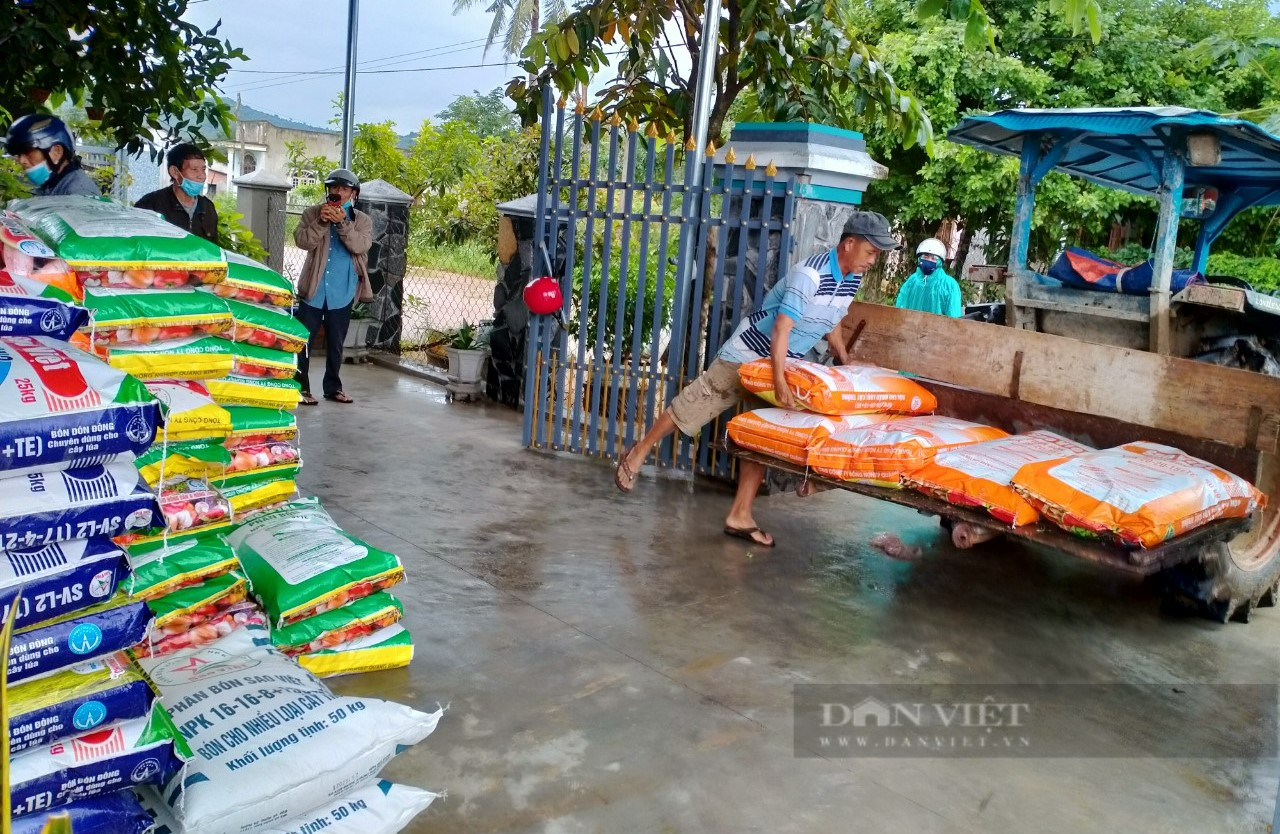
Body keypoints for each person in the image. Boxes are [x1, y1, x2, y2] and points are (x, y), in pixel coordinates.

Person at [613, 210, 900, 547]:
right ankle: (638, 452)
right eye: (871, 251)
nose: (873, 259)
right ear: (849, 243)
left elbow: (832, 316)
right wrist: (778, 381)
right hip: (749, 355)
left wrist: (845, 357)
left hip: (784, 362)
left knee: (762, 436)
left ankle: (740, 515)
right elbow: (781, 328)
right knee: (698, 402)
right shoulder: (811, 275)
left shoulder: (851, 277)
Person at [293, 168, 374, 405]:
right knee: (303, 341)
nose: (338, 192)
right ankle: (302, 388)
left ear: (353, 194)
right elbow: (302, 241)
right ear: (328, 190)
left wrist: (342, 224)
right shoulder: (312, 213)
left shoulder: (362, 220)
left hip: (343, 290)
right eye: (334, 188)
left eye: (345, 189)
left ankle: (333, 388)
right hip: (314, 289)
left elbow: (360, 246)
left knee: (336, 342)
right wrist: (322, 221)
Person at [134, 144, 219, 242]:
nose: (202, 176)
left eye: (203, 170)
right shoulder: (150, 205)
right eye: (194, 169)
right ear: (175, 172)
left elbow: (213, 248)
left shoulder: (207, 207)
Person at [3, 114, 101, 197]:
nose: (21, 160)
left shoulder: (80, 193)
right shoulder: (52, 185)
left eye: (27, 152)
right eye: (19, 154)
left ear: (56, 152)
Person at [894, 237, 963, 317]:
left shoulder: (949, 285)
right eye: (925, 257)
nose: (929, 260)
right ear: (919, 258)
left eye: (934, 258)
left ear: (940, 262)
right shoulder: (912, 281)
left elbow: (954, 317)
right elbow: (900, 307)